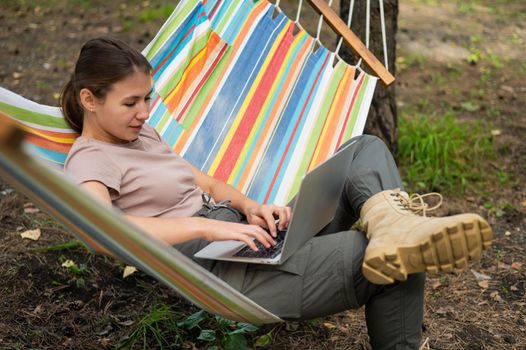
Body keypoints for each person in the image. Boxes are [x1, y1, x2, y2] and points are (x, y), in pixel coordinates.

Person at [62, 37, 492, 349]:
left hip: (244, 240)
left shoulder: (141, 134)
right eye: (131, 103)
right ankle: (395, 237)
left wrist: (250, 207)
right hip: (224, 275)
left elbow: (206, 183)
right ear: (90, 99)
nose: (144, 112)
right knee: (396, 259)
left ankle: (393, 224)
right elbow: (105, 233)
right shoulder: (90, 160)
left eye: (148, 99)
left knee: (363, 149)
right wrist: (206, 227)